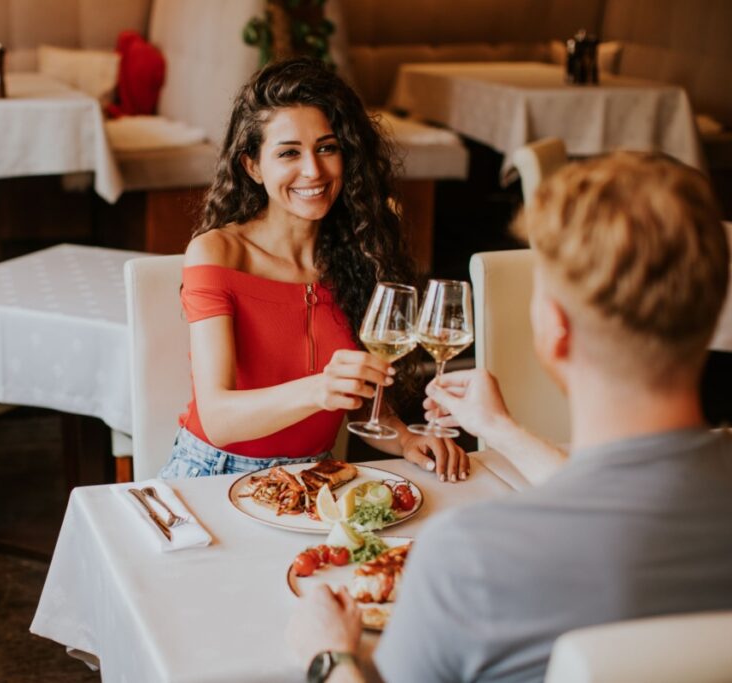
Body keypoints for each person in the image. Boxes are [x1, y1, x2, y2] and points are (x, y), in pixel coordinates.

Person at [286, 152, 732, 683]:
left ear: (555, 327)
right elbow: (626, 498)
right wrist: (500, 429)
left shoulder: (471, 558)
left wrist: (330, 658)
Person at [158, 57, 468, 481]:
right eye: (289, 153)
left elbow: (358, 397)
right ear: (252, 165)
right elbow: (218, 418)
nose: (313, 170)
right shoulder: (218, 252)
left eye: (327, 147)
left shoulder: (358, 252)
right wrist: (319, 389)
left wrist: (405, 439)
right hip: (215, 474)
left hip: (316, 478)